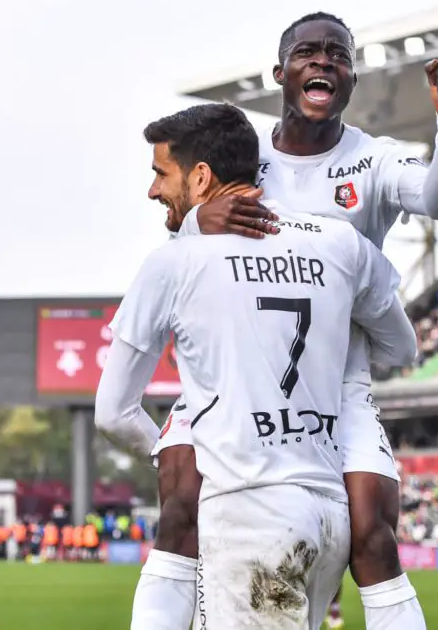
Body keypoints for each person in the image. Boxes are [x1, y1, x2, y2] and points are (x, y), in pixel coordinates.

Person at [129, 11, 438, 630]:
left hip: (338, 383)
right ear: (279, 73)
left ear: (351, 79)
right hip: (237, 375)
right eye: (307, 52)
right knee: (180, 505)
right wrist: (197, 220)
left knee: (372, 534)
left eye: (338, 54)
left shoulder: (374, 161)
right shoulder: (245, 156)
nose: (323, 61)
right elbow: (183, 220)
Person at [94, 102, 418, 628]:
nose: (153, 190)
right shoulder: (340, 242)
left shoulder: (175, 261)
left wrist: (184, 457)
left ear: (201, 177)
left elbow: (113, 413)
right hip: (327, 517)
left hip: (249, 514)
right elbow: (402, 348)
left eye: (161, 173)